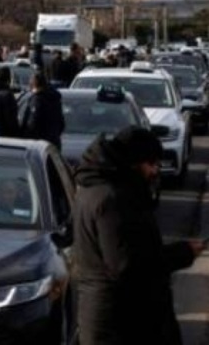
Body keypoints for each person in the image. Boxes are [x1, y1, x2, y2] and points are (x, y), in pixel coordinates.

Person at [74, 126, 204, 344]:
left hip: (109, 316)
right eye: (151, 164)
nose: (155, 171)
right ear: (134, 162)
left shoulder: (96, 188)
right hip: (122, 323)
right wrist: (182, 252)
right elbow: (129, 266)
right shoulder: (113, 199)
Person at [20, 72, 65, 150]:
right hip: (54, 144)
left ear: (34, 84)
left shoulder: (37, 100)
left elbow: (33, 124)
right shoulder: (55, 100)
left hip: (39, 146)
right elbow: (61, 123)